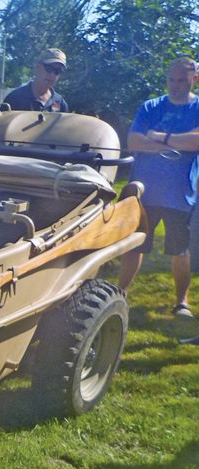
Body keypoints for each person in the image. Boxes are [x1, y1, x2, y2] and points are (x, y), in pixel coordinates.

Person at [118, 56, 199, 318]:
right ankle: (121, 294)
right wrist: (178, 143)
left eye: (182, 81)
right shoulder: (150, 106)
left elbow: (197, 143)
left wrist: (160, 137)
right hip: (145, 191)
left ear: (194, 80)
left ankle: (181, 301)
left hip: (181, 193)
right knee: (135, 244)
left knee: (180, 249)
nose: (175, 85)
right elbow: (133, 141)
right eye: (171, 80)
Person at [3, 49, 69, 112]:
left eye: (57, 71)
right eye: (49, 69)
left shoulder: (60, 103)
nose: (52, 75)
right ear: (37, 67)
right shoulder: (15, 98)